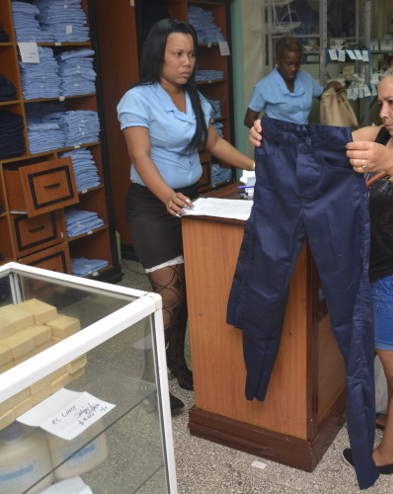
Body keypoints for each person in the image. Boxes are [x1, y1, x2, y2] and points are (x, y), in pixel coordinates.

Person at [250, 61, 393, 476]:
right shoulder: (380, 137)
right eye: (380, 102)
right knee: (382, 367)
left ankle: (386, 456)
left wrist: (389, 161)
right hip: (376, 279)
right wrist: (267, 131)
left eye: (392, 103)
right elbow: (321, 142)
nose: (382, 113)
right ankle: (380, 424)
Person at [117, 18, 256, 413]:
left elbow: (214, 143)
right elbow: (139, 155)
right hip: (153, 205)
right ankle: (151, 384)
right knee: (169, 296)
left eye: (191, 54)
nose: (187, 62)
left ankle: (178, 364)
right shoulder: (137, 98)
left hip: (191, 204)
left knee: (189, 294)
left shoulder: (197, 99)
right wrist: (166, 196)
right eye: (177, 54)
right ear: (157, 55)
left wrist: (254, 166)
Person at [243, 36, 342, 128]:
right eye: (289, 63)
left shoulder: (306, 78)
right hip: (279, 144)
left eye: (297, 63)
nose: (294, 68)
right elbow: (248, 120)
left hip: (302, 140)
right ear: (278, 60)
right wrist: (269, 136)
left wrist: (331, 87)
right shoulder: (264, 86)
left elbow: (323, 96)